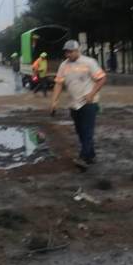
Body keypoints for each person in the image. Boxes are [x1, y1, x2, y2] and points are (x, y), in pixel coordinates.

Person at [50, 40, 107, 170]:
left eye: (70, 52)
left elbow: (102, 78)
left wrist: (92, 94)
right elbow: (59, 83)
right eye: (66, 52)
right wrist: (54, 101)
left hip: (89, 103)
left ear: (77, 51)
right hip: (73, 104)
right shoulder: (64, 65)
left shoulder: (89, 62)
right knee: (80, 131)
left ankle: (83, 158)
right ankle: (91, 155)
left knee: (87, 131)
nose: (67, 54)